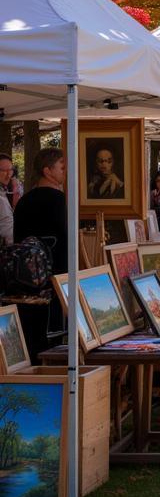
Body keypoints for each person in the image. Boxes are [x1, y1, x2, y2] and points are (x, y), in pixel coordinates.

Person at [13, 148, 68, 361]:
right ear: (47, 171)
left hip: (26, 282)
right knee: (50, 343)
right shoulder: (58, 200)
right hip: (53, 280)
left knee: (33, 341)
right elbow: (65, 239)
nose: (65, 172)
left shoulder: (25, 201)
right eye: (61, 167)